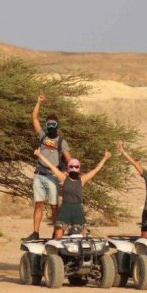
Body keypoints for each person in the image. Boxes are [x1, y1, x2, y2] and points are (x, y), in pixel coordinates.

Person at [34, 149, 111, 239]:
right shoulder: (63, 178)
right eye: (72, 166)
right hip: (65, 209)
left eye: (76, 166)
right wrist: (40, 155)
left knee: (79, 236)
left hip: (77, 209)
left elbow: (96, 169)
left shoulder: (82, 179)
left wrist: (105, 158)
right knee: (58, 235)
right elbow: (51, 166)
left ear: (79, 168)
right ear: (68, 167)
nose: (74, 168)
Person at [28, 94, 73, 240]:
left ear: (57, 125)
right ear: (46, 125)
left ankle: (56, 234)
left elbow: (69, 159)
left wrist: (68, 173)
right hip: (39, 175)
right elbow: (34, 119)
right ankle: (35, 232)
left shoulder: (61, 141)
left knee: (54, 206)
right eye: (49, 124)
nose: (51, 127)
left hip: (53, 177)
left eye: (53, 124)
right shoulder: (42, 136)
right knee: (39, 204)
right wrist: (38, 102)